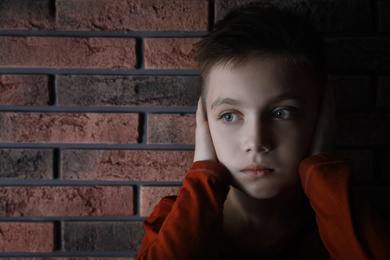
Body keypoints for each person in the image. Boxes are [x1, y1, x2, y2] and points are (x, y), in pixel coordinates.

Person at [136, 5, 390, 260]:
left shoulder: (349, 222)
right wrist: (203, 174)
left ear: (323, 116)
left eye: (282, 113)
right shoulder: (171, 223)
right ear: (204, 123)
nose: (256, 142)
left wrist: (324, 173)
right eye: (229, 115)